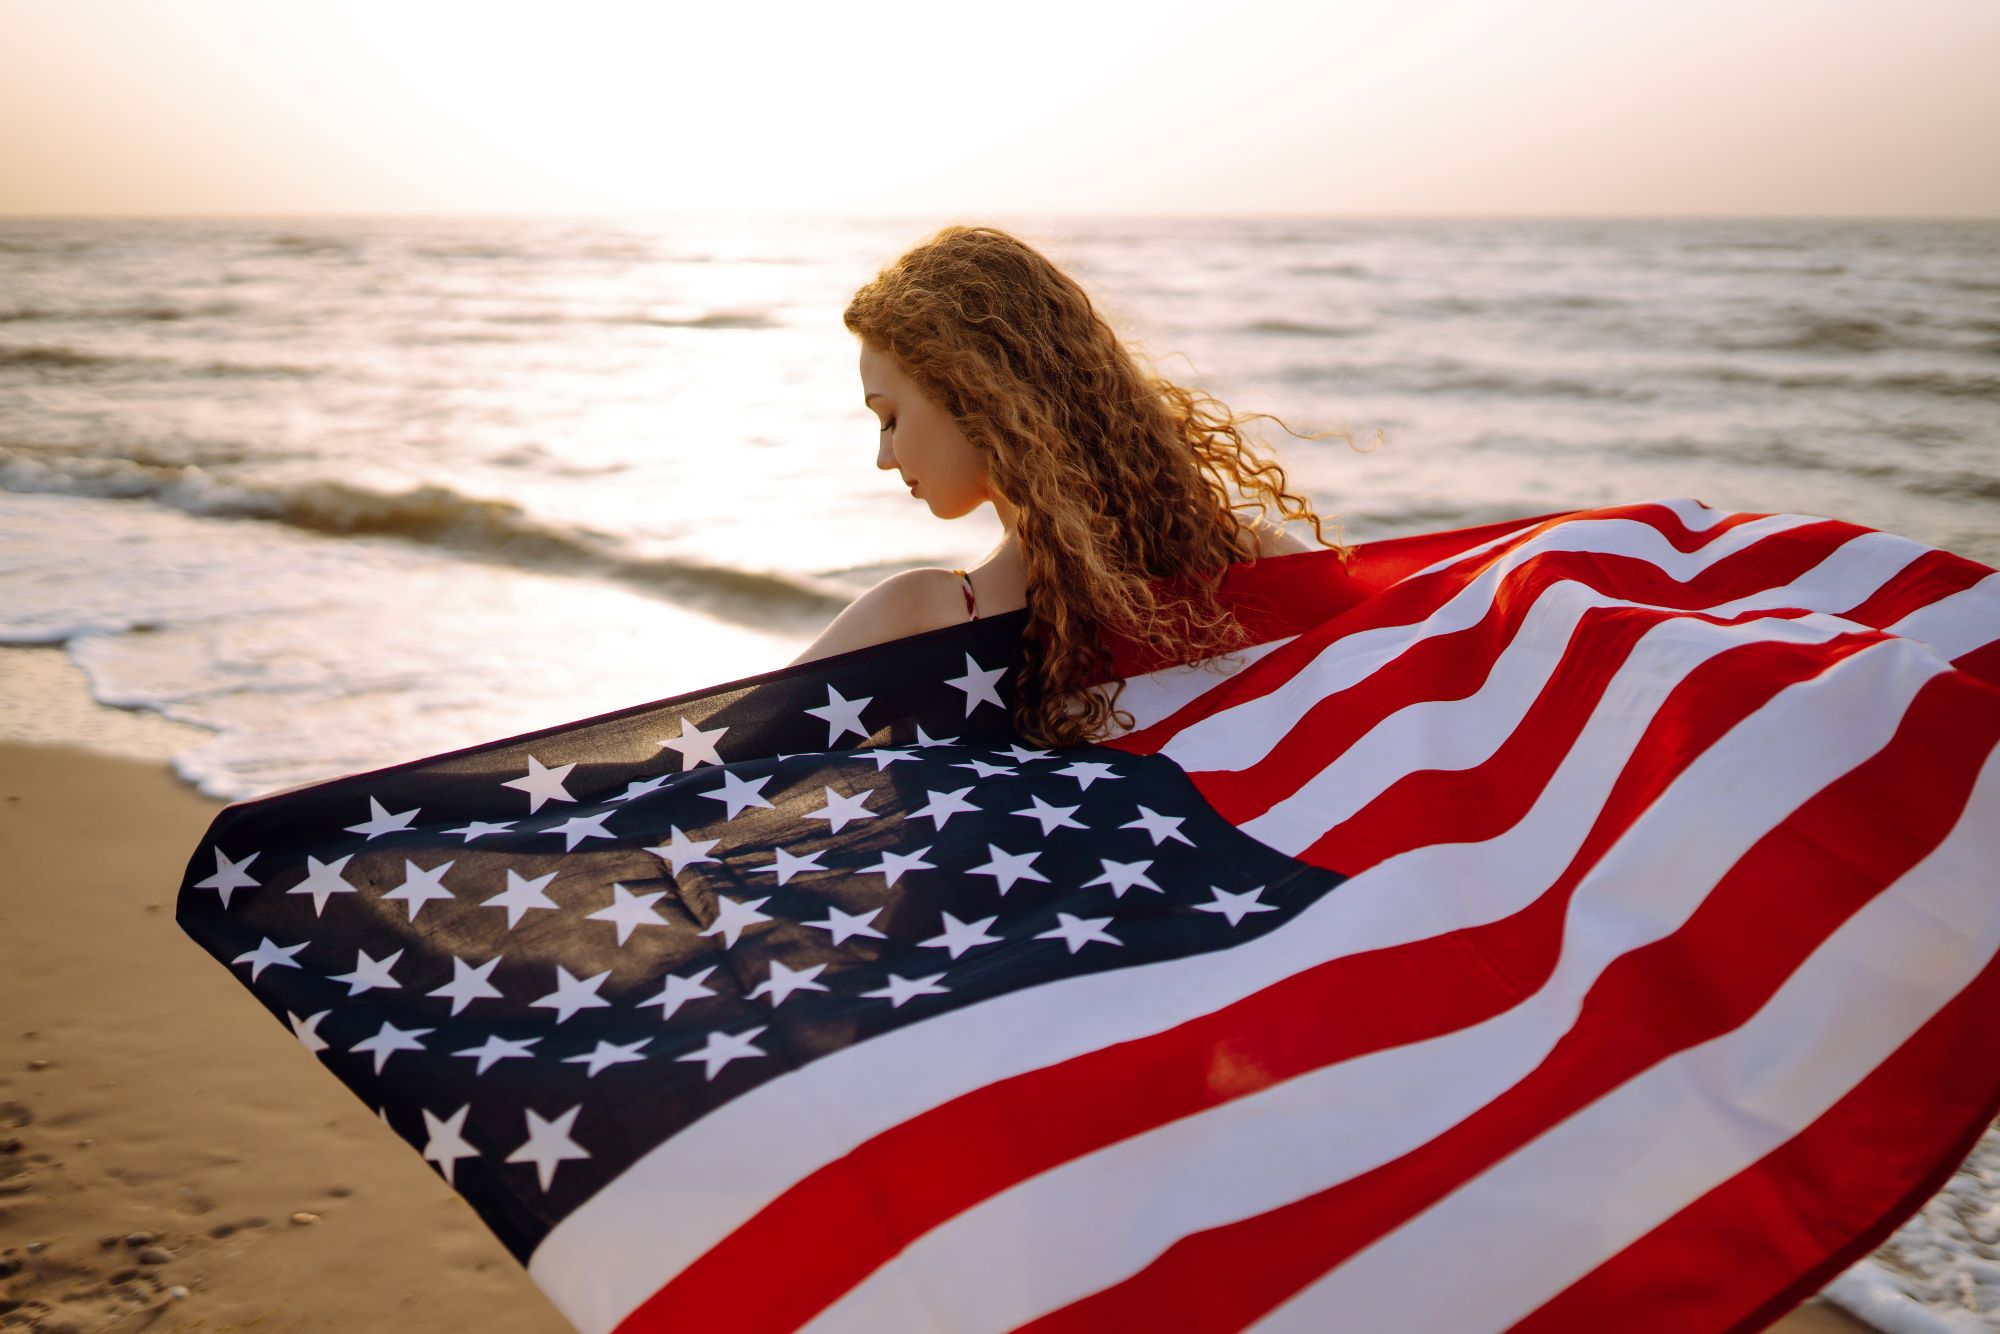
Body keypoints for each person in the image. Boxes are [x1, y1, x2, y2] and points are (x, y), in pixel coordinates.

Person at [790, 224, 1364, 750]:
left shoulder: (918, 614)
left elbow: (718, 763)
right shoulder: (1247, 560)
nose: (884, 457)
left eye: (890, 418)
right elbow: (1382, 681)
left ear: (974, 399)